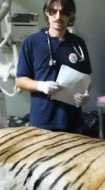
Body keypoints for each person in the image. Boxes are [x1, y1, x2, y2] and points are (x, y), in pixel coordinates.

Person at [16, 0, 92, 133]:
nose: (58, 17)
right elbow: (20, 81)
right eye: (53, 11)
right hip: (43, 122)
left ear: (71, 14)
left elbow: (86, 78)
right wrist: (42, 86)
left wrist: (86, 94)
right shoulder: (32, 42)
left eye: (64, 12)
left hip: (73, 121)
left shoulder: (78, 44)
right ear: (46, 12)